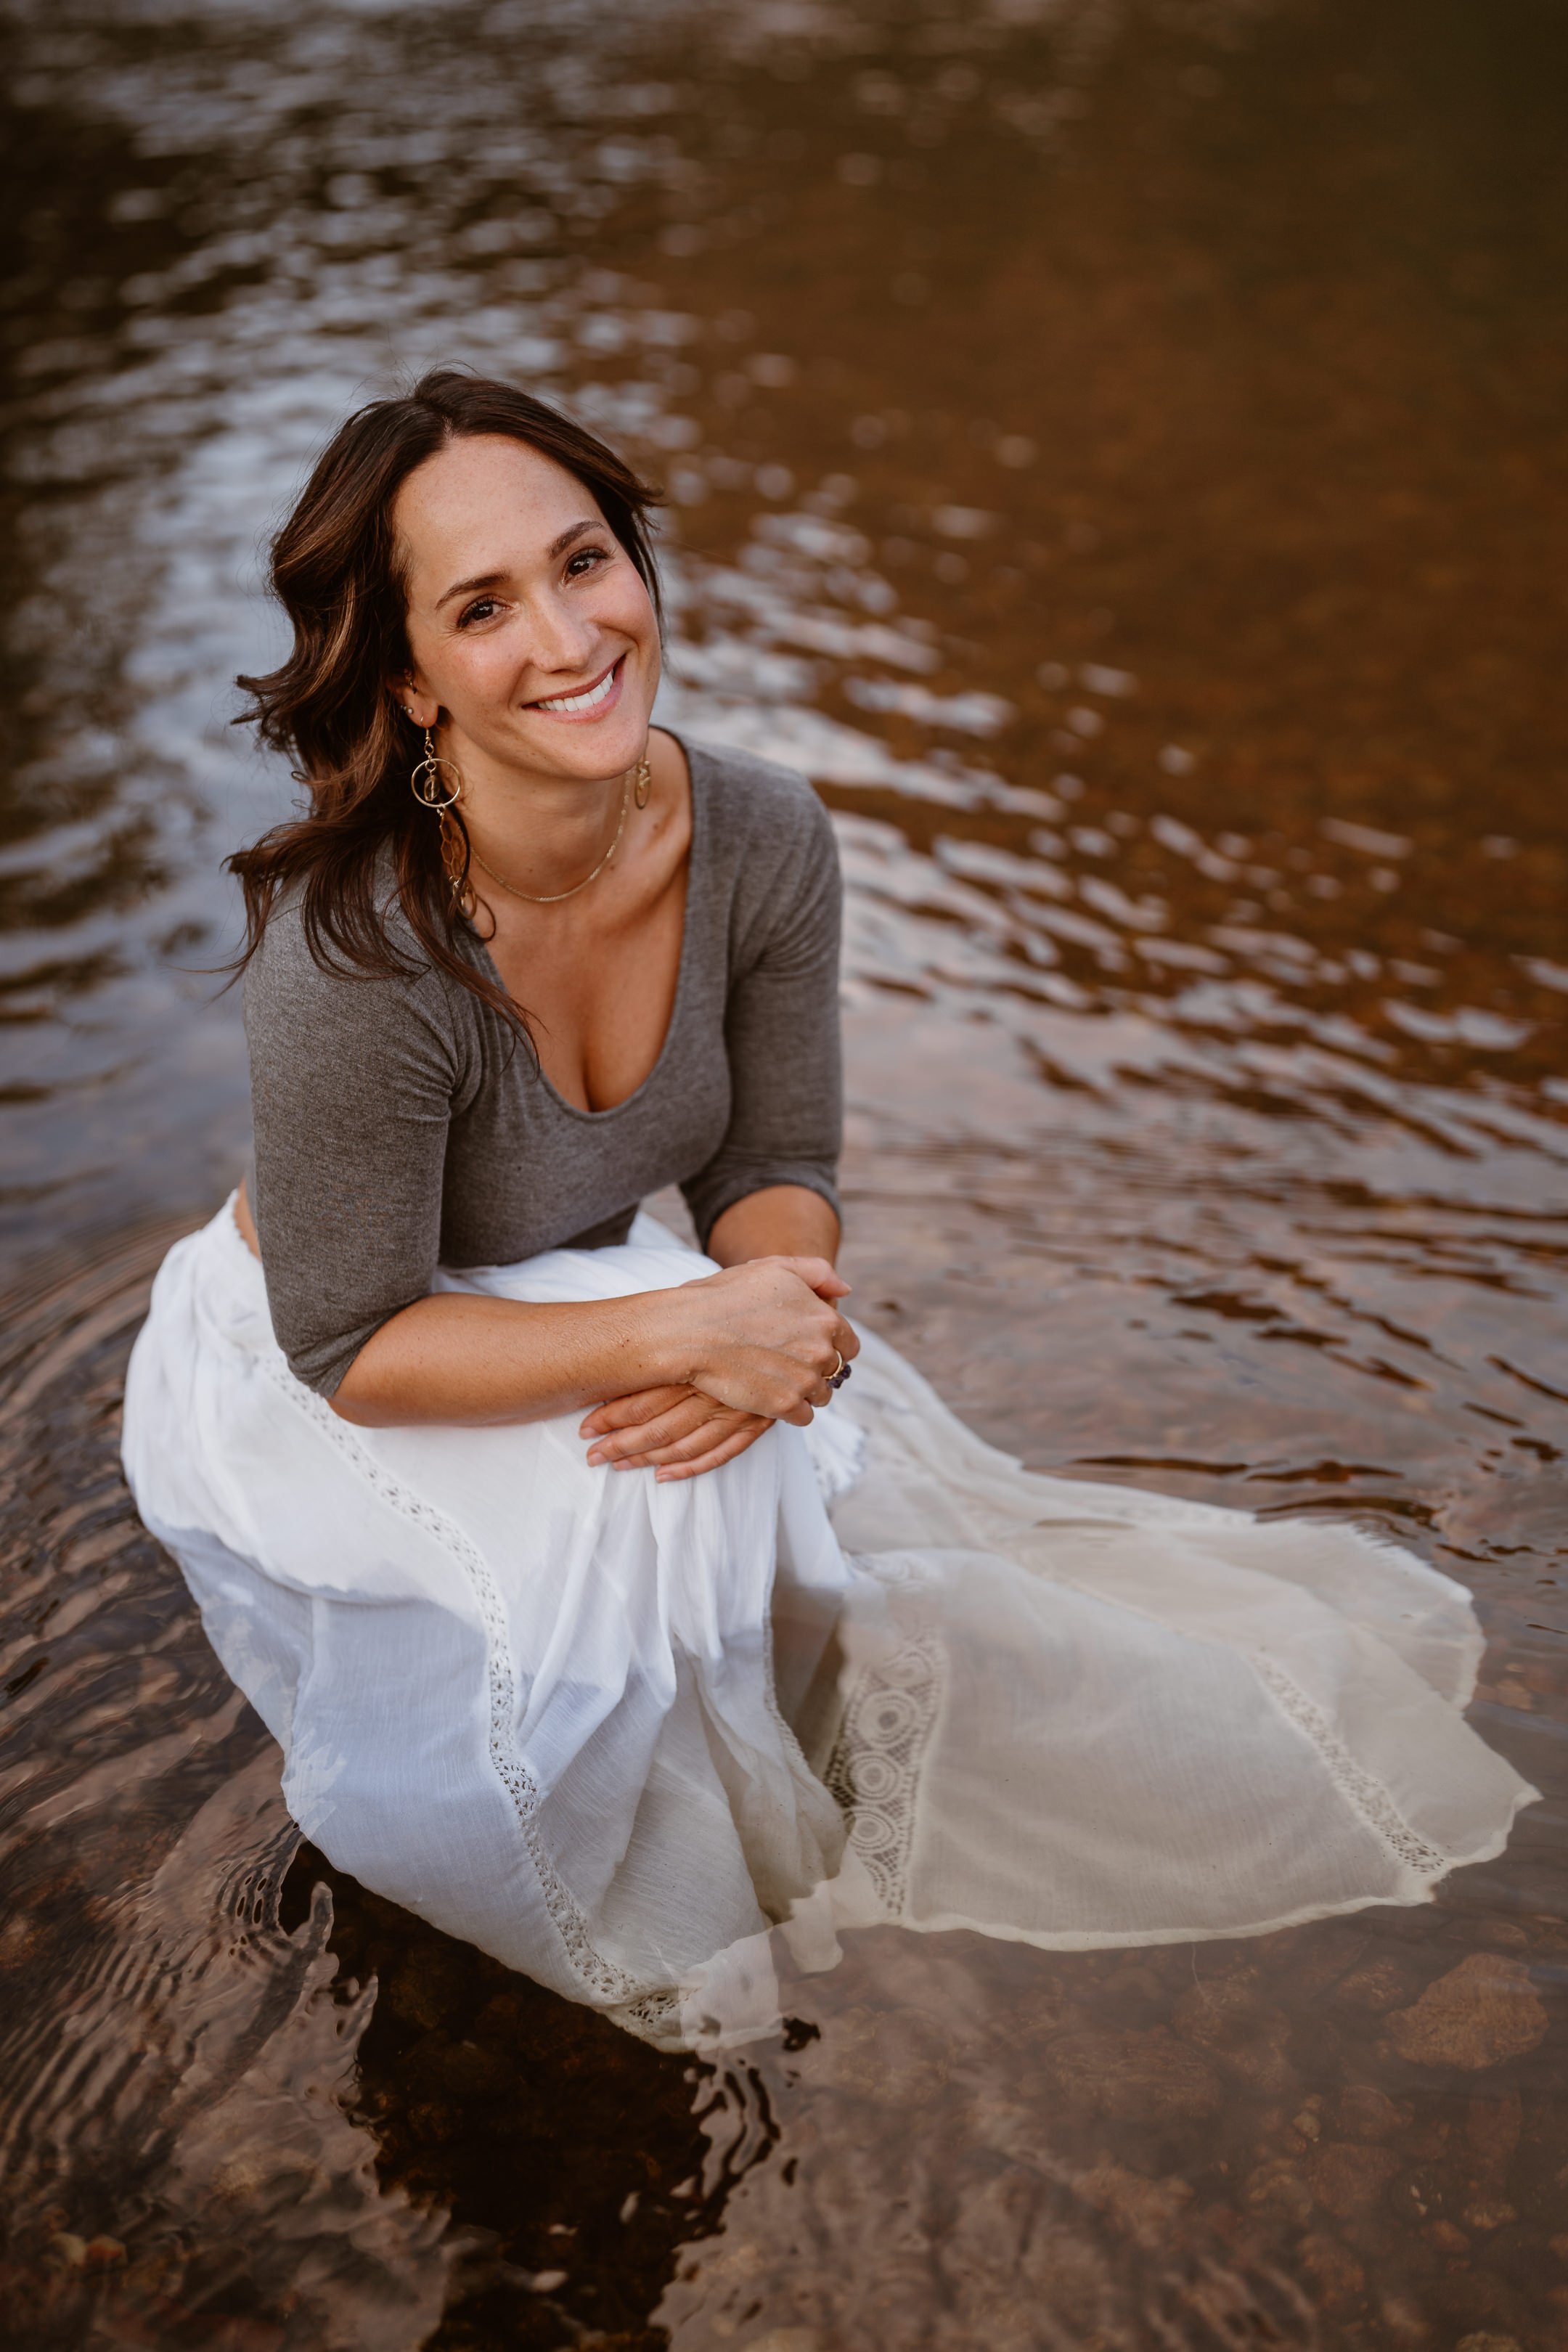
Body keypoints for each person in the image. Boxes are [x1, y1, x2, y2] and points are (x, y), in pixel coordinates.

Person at [123, 371, 1535, 2049]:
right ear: (414, 676)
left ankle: (757, 1772)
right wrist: (682, 1328)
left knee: (778, 1468)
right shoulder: (359, 956)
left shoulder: (766, 834)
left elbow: (775, 1165)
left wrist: (772, 1322)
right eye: (483, 606)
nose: (570, 636)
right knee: (629, 1536)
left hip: (576, 1284)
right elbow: (344, 1338)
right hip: (345, 1356)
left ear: (636, 561)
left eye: (586, 563)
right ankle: (617, 1908)